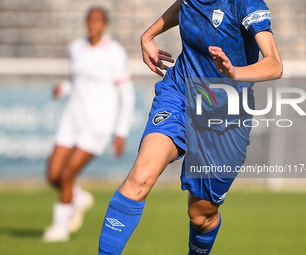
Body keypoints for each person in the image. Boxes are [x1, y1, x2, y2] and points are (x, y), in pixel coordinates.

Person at [98, 0, 282, 254]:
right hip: (180, 92)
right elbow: (184, 6)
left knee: (201, 215)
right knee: (140, 177)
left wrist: (234, 73)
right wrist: (148, 35)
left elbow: (275, 64)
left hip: (226, 113)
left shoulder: (246, 3)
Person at [43, 6, 135, 242]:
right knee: (53, 175)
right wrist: (62, 88)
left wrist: (121, 132)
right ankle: (79, 198)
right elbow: (77, 82)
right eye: (90, 20)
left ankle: (60, 228)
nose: (93, 24)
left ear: (105, 24)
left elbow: (127, 94)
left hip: (98, 125)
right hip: (72, 119)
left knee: (67, 173)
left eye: (98, 20)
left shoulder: (115, 52)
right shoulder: (76, 48)